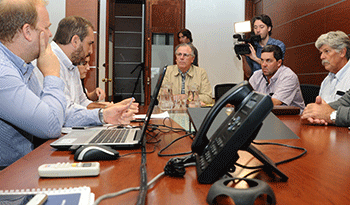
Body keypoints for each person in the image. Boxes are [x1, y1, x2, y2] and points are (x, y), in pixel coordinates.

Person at [0, 0, 67, 168]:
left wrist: (101, 116)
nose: (51, 34)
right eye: (46, 28)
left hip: (20, 167)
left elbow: (51, 112)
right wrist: (52, 73)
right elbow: (51, 126)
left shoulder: (23, 66)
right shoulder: (3, 72)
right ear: (27, 31)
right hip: (7, 177)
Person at [46, 16, 138, 127]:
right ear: (75, 41)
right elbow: (64, 114)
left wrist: (111, 108)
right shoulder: (50, 60)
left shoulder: (72, 62)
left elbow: (82, 102)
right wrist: (103, 115)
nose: (90, 51)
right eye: (89, 44)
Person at [249, 45, 305, 111]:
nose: (264, 64)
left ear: (279, 63)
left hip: (293, 118)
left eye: (268, 60)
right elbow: (246, 95)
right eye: (262, 60)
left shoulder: (289, 76)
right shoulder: (257, 75)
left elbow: (274, 102)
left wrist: (247, 103)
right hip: (268, 115)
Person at [244, 14, 286, 78]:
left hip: (274, 82)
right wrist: (243, 57)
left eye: (261, 27)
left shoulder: (278, 45)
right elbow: (248, 74)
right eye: (255, 27)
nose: (258, 30)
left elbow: (276, 68)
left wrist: (255, 58)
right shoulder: (252, 47)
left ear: (269, 28)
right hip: (257, 84)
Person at [315, 31, 350, 103]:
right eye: (321, 53)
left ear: (342, 52)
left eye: (326, 51)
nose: (322, 57)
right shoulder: (326, 81)